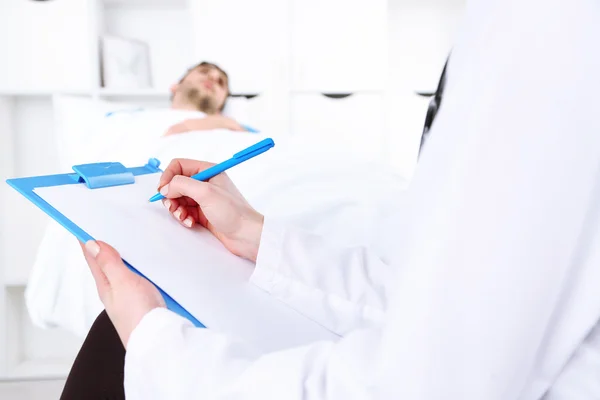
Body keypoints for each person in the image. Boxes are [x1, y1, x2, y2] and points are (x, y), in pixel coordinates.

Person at [60, 0, 600, 398]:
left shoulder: (549, 29)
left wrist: (159, 351)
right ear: (176, 87)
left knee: (119, 342)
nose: (210, 81)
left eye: (218, 79)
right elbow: (453, 295)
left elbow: (433, 377)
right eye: (201, 74)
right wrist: (255, 231)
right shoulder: (142, 123)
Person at [165, 61, 250, 135]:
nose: (214, 77)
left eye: (221, 82)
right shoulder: (152, 119)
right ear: (175, 86)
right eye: (204, 71)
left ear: (220, 107)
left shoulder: (237, 130)